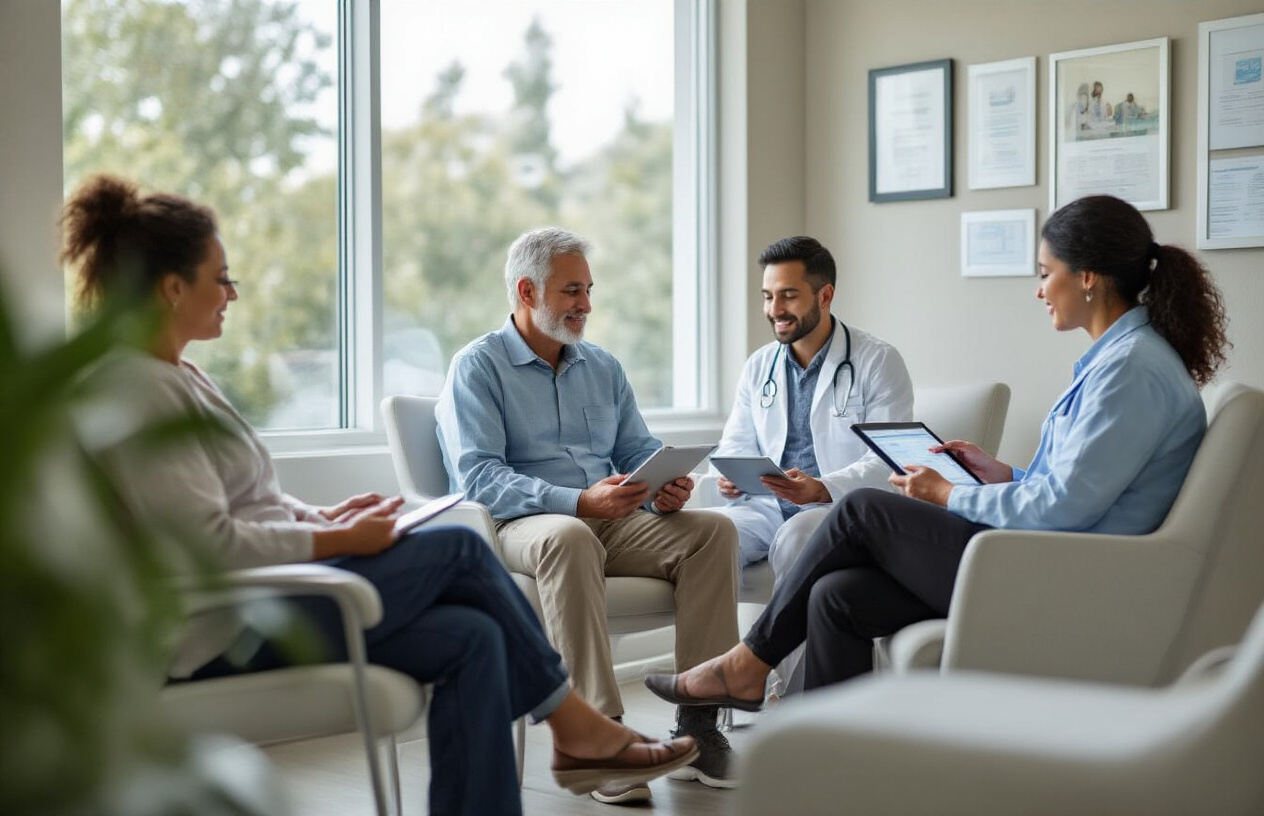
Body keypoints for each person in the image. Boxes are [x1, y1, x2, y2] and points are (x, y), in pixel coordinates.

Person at [61, 175, 697, 816]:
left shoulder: (182, 376)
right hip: (222, 624)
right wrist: (337, 539)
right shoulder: (134, 388)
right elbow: (208, 543)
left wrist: (324, 514)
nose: (231, 293)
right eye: (220, 277)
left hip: (272, 594)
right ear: (173, 287)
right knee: (455, 550)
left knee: (474, 637)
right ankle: (578, 728)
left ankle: (559, 749)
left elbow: (246, 502)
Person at [644, 193, 1230, 707]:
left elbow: (1066, 509)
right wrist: (1001, 472)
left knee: (858, 510)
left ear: (1088, 277)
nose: (1038, 288)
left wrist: (949, 493)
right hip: (1052, 552)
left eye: (1045, 272)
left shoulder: (1129, 370)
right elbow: (1079, 486)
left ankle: (745, 667)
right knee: (835, 595)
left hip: (1061, 572)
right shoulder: (1122, 362)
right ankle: (829, 768)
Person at [435, 226, 741, 802]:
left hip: (607, 518)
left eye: (588, 290)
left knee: (712, 532)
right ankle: (597, 740)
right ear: (527, 292)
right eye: (571, 292)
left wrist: (661, 488)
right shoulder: (476, 368)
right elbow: (479, 478)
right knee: (571, 536)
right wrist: (576, 501)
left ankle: (699, 724)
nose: (586, 305)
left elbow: (634, 454)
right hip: (520, 526)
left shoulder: (603, 367)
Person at [710, 236, 912, 698]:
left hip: (833, 511)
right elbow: (737, 440)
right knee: (711, 539)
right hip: (763, 503)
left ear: (825, 295)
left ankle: (795, 698)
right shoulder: (759, 365)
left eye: (788, 295)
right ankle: (711, 702)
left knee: (801, 535)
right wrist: (730, 475)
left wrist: (821, 488)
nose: (774, 309)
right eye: (767, 296)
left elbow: (889, 461)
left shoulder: (877, 360)